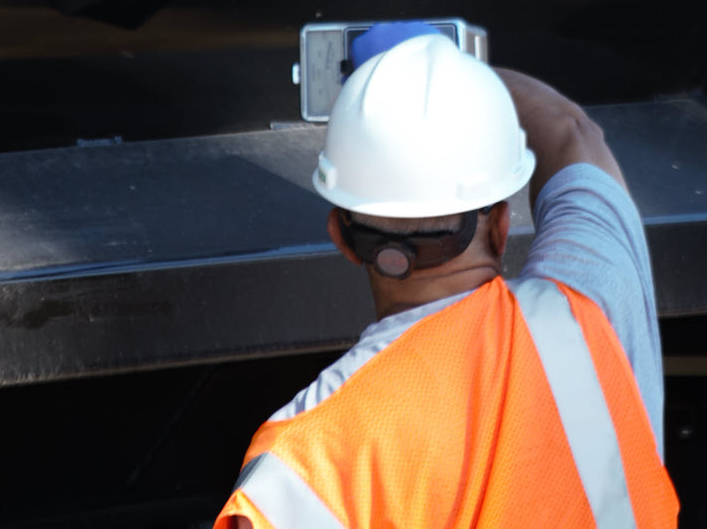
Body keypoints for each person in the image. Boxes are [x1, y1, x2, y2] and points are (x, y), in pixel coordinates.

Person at [214, 26, 678, 528]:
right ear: (500, 227)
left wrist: (392, 91)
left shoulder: (306, 464)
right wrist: (458, 82)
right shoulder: (591, 309)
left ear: (341, 238)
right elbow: (570, 131)